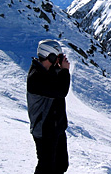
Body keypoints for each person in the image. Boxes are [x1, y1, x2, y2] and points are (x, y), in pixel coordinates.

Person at [28, 39, 70, 173]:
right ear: (50, 56)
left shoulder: (48, 71)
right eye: (57, 56)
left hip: (56, 127)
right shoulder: (36, 77)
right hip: (44, 129)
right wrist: (65, 71)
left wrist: (59, 68)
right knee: (46, 168)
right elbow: (61, 91)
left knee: (61, 165)